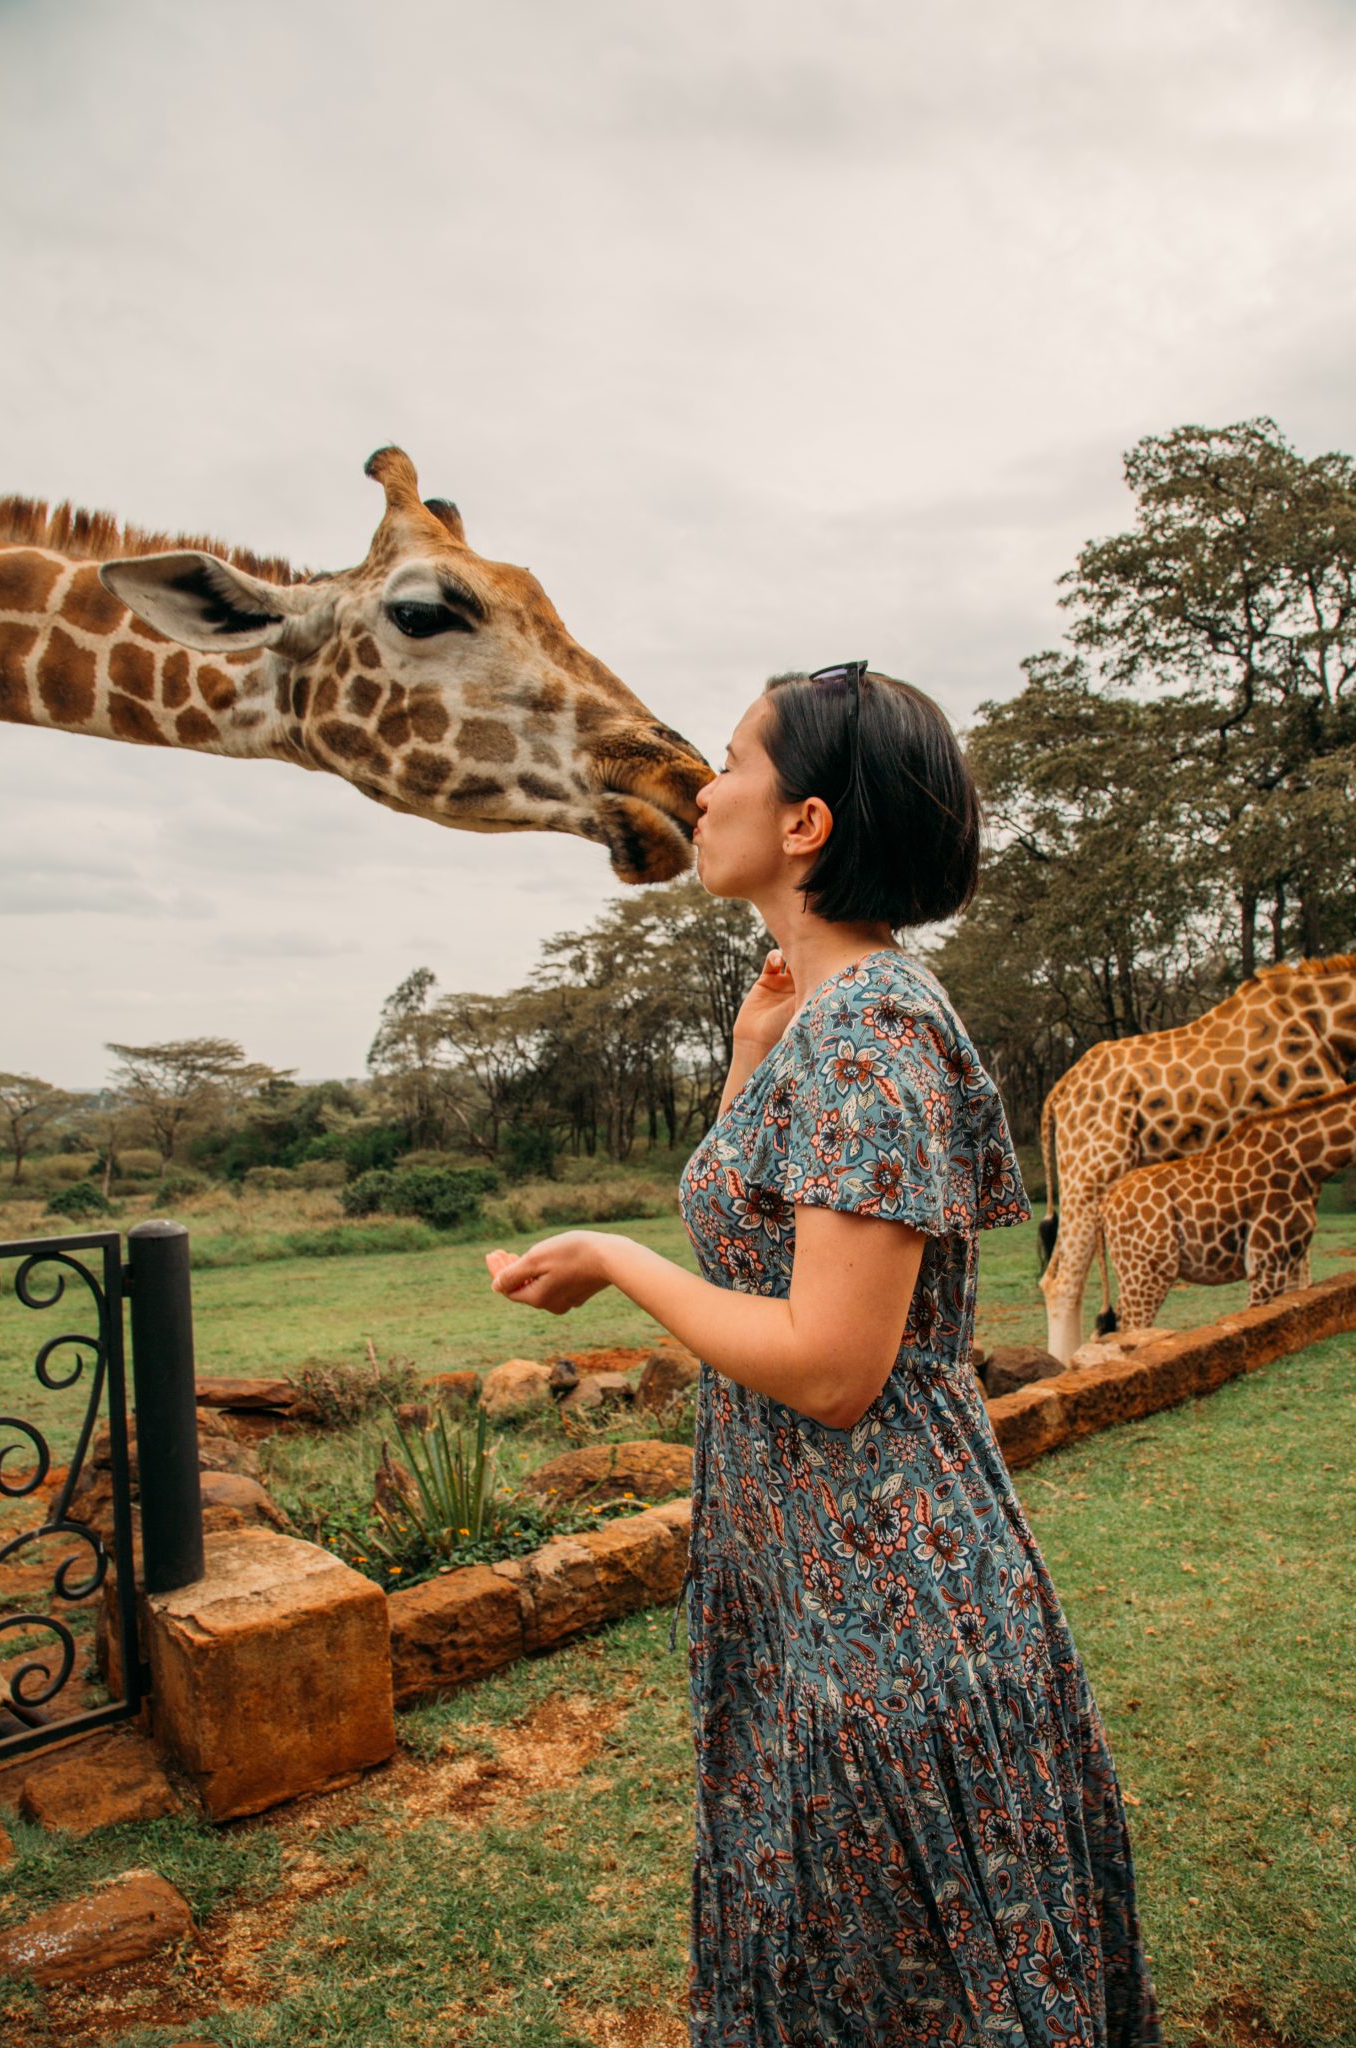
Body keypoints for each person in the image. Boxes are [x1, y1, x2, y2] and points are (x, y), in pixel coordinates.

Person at [486, 663, 1161, 2047]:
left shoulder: (870, 1040)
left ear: (802, 822)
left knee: (896, 1965)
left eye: (732, 759)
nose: (704, 787)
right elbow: (760, 1246)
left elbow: (830, 1365)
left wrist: (619, 1262)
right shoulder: (824, 1025)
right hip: (806, 1559)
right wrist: (747, 1056)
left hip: (881, 1580)